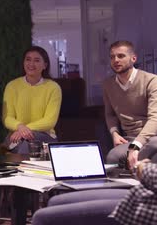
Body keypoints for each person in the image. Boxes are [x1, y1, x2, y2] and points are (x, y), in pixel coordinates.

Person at [31, 160, 157, 225]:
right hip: (145, 193)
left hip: (149, 208)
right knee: (55, 201)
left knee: (42, 217)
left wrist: (143, 168)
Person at [103, 40, 157, 169]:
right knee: (113, 157)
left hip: (152, 137)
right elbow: (110, 114)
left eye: (121, 56)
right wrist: (114, 133)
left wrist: (137, 145)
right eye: (112, 57)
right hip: (128, 139)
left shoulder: (151, 80)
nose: (116, 60)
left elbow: (155, 118)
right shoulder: (108, 85)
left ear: (133, 58)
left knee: (155, 147)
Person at [2, 46, 62, 154]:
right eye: (28, 59)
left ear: (45, 65)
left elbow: (50, 121)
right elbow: (7, 118)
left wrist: (24, 130)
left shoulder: (53, 87)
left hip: (45, 135)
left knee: (29, 144)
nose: (31, 64)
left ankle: (23, 170)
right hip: (16, 137)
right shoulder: (12, 86)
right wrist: (20, 127)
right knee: (24, 145)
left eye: (37, 60)